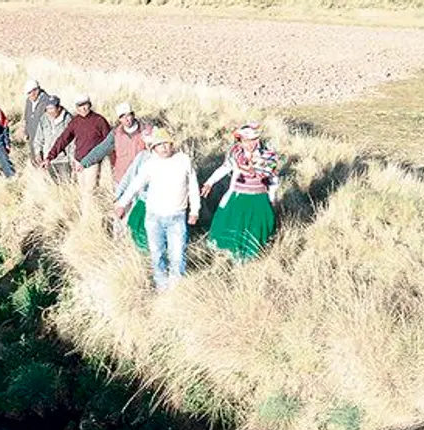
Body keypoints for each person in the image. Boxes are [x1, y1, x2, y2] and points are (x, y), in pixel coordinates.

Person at [115, 129, 200, 291]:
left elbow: (193, 186)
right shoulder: (150, 164)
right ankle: (161, 286)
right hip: (154, 217)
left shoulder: (183, 160)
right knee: (157, 254)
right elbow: (135, 184)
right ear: (153, 148)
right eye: (158, 145)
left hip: (177, 215)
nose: (163, 148)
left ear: (172, 144)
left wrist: (195, 210)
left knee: (177, 255)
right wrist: (122, 204)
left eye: (166, 143)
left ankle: (176, 289)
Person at [202, 122, 280, 261]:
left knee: (255, 228)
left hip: (258, 197)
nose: (250, 144)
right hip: (238, 196)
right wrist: (210, 182)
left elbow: (273, 180)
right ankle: (231, 256)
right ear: (240, 141)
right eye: (246, 141)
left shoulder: (268, 156)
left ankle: (251, 257)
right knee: (232, 225)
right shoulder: (236, 153)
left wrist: (272, 198)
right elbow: (225, 168)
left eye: (253, 140)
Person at [43, 94, 112, 198]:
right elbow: (63, 139)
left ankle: (90, 214)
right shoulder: (75, 121)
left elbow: (109, 142)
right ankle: (85, 213)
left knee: (90, 191)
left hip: (93, 162)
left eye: (85, 105)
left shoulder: (99, 120)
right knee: (82, 192)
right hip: (78, 161)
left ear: (90, 105)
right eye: (80, 106)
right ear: (76, 108)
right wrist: (50, 157)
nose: (83, 108)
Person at [79, 102, 154, 186]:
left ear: (133, 115)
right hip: (122, 179)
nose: (126, 119)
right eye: (122, 117)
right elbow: (101, 149)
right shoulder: (115, 134)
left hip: (142, 177)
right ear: (119, 119)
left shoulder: (147, 130)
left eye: (128, 115)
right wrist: (84, 162)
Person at [31, 96, 73, 183]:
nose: (49, 112)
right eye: (47, 109)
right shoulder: (44, 119)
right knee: (51, 186)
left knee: (65, 185)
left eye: (52, 108)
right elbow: (39, 138)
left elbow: (73, 142)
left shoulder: (68, 119)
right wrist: (38, 152)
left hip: (64, 160)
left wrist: (72, 158)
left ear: (58, 107)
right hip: (48, 160)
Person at [22, 79, 51, 154]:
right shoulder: (29, 101)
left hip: (43, 140)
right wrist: (26, 132)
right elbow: (27, 118)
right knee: (34, 159)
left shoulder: (47, 102)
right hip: (32, 137)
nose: (28, 95)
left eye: (29, 93)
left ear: (36, 90)